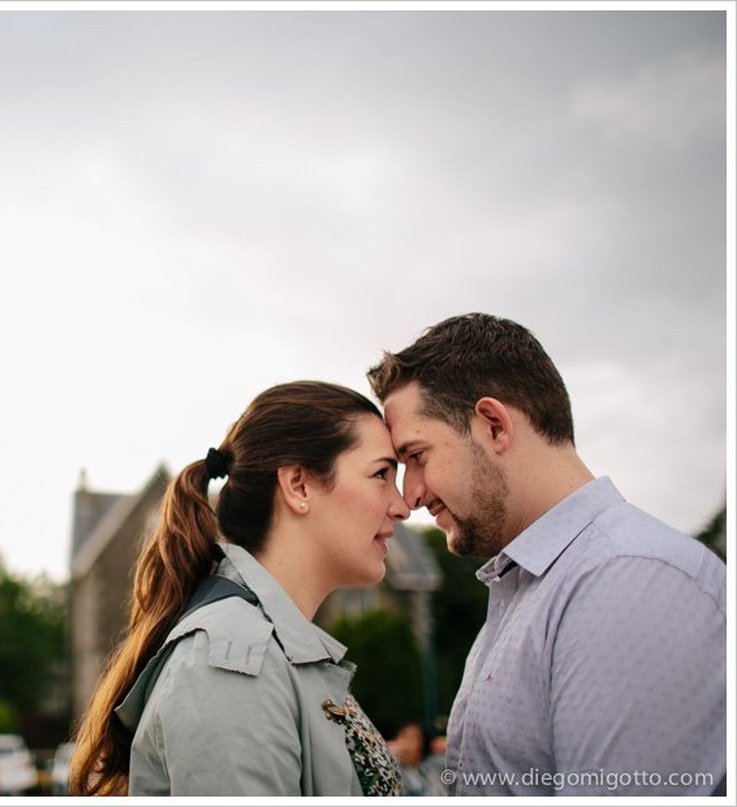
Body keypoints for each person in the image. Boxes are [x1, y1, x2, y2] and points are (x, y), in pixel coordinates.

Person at [366, 313, 727, 797]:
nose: (410, 496)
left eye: (418, 456)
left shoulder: (628, 581)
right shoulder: (535, 584)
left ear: (494, 425)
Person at [69, 381, 410, 796]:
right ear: (299, 486)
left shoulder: (271, 653)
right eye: (380, 474)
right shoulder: (230, 667)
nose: (402, 505)